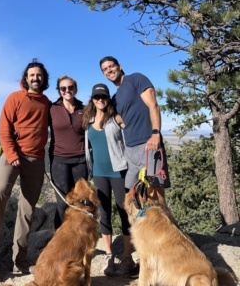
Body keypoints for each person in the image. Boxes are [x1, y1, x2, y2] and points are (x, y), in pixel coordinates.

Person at [0, 58, 50, 275]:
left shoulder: (46, 103)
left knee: (26, 210)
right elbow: (4, 129)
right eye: (32, 75)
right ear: (26, 78)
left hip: (36, 160)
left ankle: (20, 260)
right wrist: (12, 154)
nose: (35, 78)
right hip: (12, 155)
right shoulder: (14, 98)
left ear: (44, 79)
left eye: (39, 75)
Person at [99, 56, 170, 208]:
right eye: (104, 69)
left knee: (155, 193)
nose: (108, 70)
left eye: (111, 66)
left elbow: (154, 106)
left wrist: (156, 133)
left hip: (148, 142)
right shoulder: (115, 98)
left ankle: (165, 229)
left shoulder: (136, 79)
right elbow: (120, 120)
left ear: (119, 66)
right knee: (132, 194)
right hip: (130, 149)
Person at [82, 83, 135, 277]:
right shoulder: (88, 121)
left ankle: (127, 256)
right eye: (97, 97)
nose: (100, 100)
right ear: (92, 100)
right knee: (104, 213)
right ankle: (109, 254)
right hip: (98, 173)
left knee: (124, 212)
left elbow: (130, 136)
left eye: (103, 96)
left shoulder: (116, 118)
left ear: (108, 98)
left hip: (119, 171)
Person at [49, 75, 88, 229]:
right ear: (59, 91)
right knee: (62, 201)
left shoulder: (84, 109)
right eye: (63, 88)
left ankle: (78, 235)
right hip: (59, 161)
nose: (67, 90)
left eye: (70, 87)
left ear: (76, 89)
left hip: (81, 161)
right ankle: (59, 237)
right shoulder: (51, 109)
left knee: (80, 200)